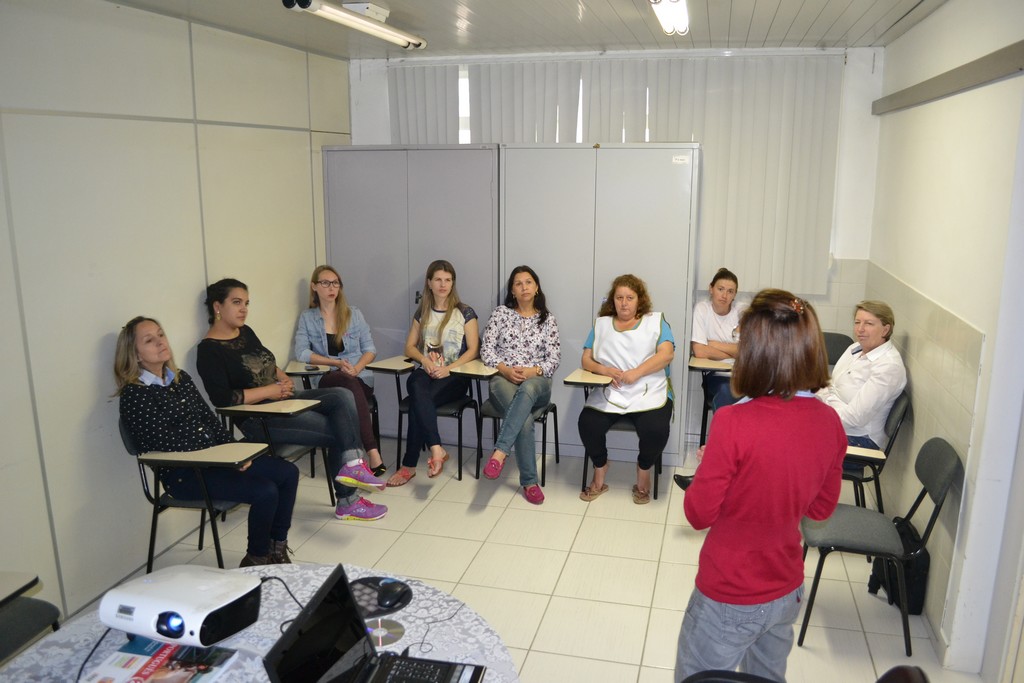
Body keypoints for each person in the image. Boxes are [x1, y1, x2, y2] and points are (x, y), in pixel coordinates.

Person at [674, 289, 846, 681]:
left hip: (729, 591)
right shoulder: (830, 423)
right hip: (785, 589)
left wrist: (712, 470)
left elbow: (698, 514)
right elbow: (819, 510)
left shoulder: (734, 422)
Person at [196, 278, 388, 522]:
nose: (244, 309)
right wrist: (269, 392)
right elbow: (223, 399)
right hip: (259, 417)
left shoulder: (245, 332)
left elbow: (267, 362)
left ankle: (352, 463)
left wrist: (284, 379)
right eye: (236, 303)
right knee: (337, 429)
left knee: (342, 395)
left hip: (282, 399)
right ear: (217, 307)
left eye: (246, 303)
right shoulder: (209, 350)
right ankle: (347, 500)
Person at [115, 316, 299, 567]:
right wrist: (224, 460)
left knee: (287, 472)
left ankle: (275, 548)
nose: (160, 342)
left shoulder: (180, 378)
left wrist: (236, 454)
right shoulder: (135, 394)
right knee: (265, 491)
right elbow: (162, 443)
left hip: (216, 460)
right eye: (149, 340)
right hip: (184, 474)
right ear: (135, 355)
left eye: (161, 334)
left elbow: (209, 420)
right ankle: (256, 560)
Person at [577, 274, 674, 505]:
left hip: (650, 390)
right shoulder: (601, 324)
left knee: (656, 429)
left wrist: (637, 372)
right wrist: (605, 370)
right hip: (612, 391)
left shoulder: (656, 321)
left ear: (639, 300)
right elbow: (586, 360)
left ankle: (643, 470)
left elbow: (667, 354)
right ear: (613, 300)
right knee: (587, 423)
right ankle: (600, 467)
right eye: (619, 297)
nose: (624, 302)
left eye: (629, 297)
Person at [386, 260, 479, 487]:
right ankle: (437, 450)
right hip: (426, 373)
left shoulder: (465, 312)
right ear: (429, 283)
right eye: (438, 279)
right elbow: (409, 347)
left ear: (453, 283)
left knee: (419, 402)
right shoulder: (423, 312)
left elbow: (474, 350)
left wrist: (448, 368)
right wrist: (425, 361)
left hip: (454, 376)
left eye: (448, 280)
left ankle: (408, 466)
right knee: (417, 384)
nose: (443, 284)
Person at [480, 266, 561, 505]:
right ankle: (529, 482)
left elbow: (554, 359)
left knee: (528, 389)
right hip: (503, 379)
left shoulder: (548, 320)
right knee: (523, 419)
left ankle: (500, 451)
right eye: (518, 283)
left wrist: (532, 371)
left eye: (528, 282)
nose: (524, 287)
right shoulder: (500, 314)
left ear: (536, 287)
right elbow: (486, 350)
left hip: (537, 383)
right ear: (512, 291)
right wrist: (504, 369)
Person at [294, 265, 385, 476]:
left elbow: (370, 349)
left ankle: (357, 457)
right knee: (345, 384)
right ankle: (371, 451)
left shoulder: (354, 314)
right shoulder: (308, 318)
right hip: (327, 379)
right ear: (314, 287)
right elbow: (302, 353)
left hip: (359, 376)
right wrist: (334, 363)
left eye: (335, 283)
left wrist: (356, 369)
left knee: (350, 387)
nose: (331, 288)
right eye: (325, 283)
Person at [817, 300, 907, 449]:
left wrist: (822, 408)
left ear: (885, 330)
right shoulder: (855, 348)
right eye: (857, 322)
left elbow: (854, 418)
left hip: (859, 440)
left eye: (869, 324)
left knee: (792, 438)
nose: (860, 329)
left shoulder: (888, 367)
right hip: (836, 424)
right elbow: (830, 386)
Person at [691, 267, 746, 411]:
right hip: (716, 375)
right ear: (711, 289)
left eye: (730, 291)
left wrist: (714, 345)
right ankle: (725, 432)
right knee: (727, 392)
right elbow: (700, 351)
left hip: (742, 374)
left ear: (735, 295)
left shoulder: (741, 311)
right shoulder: (702, 309)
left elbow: (747, 352)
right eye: (720, 289)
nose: (724, 295)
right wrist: (734, 353)